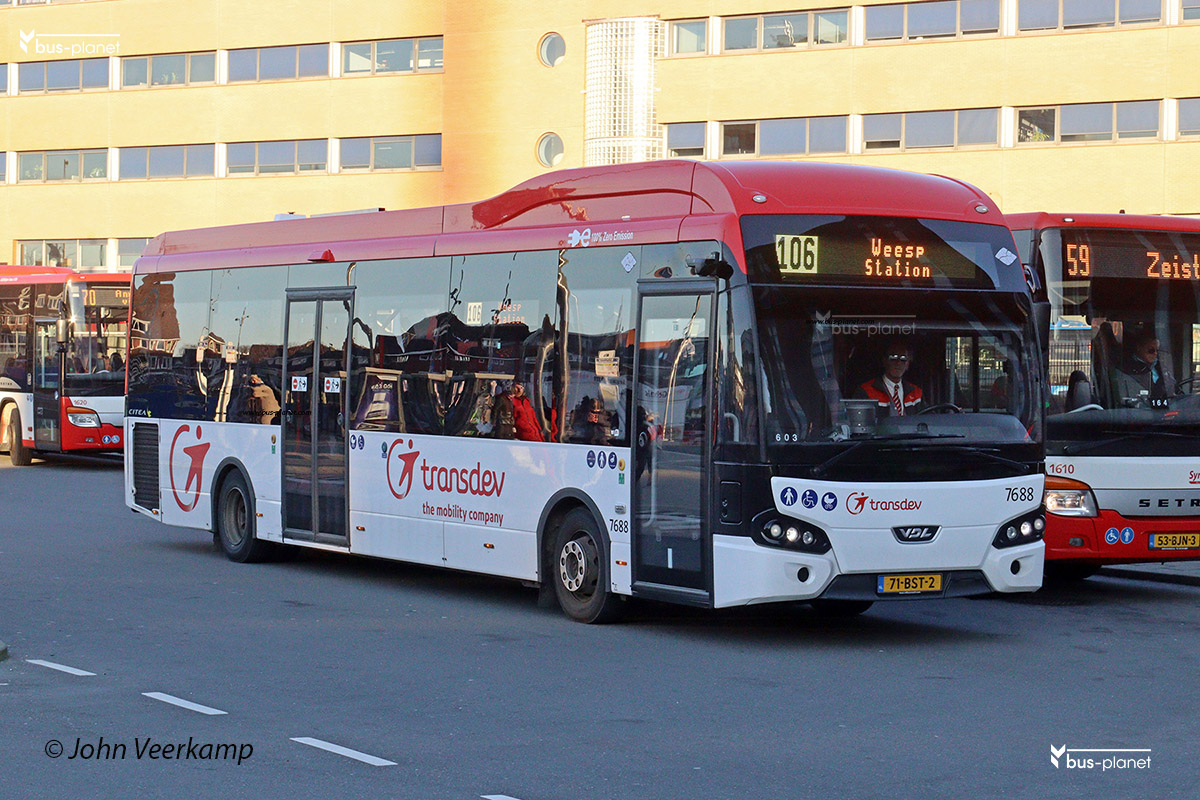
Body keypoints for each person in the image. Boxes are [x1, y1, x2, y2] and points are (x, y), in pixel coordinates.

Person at [854, 340, 923, 417]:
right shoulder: (866, 391)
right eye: (893, 358)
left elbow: (927, 418)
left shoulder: (916, 393)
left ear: (907, 365)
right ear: (884, 361)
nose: (898, 363)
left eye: (903, 359)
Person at [1115, 331, 1173, 405]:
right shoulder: (1126, 368)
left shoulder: (1162, 368)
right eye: (1151, 350)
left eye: (1157, 351)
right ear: (1139, 348)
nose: (1155, 353)